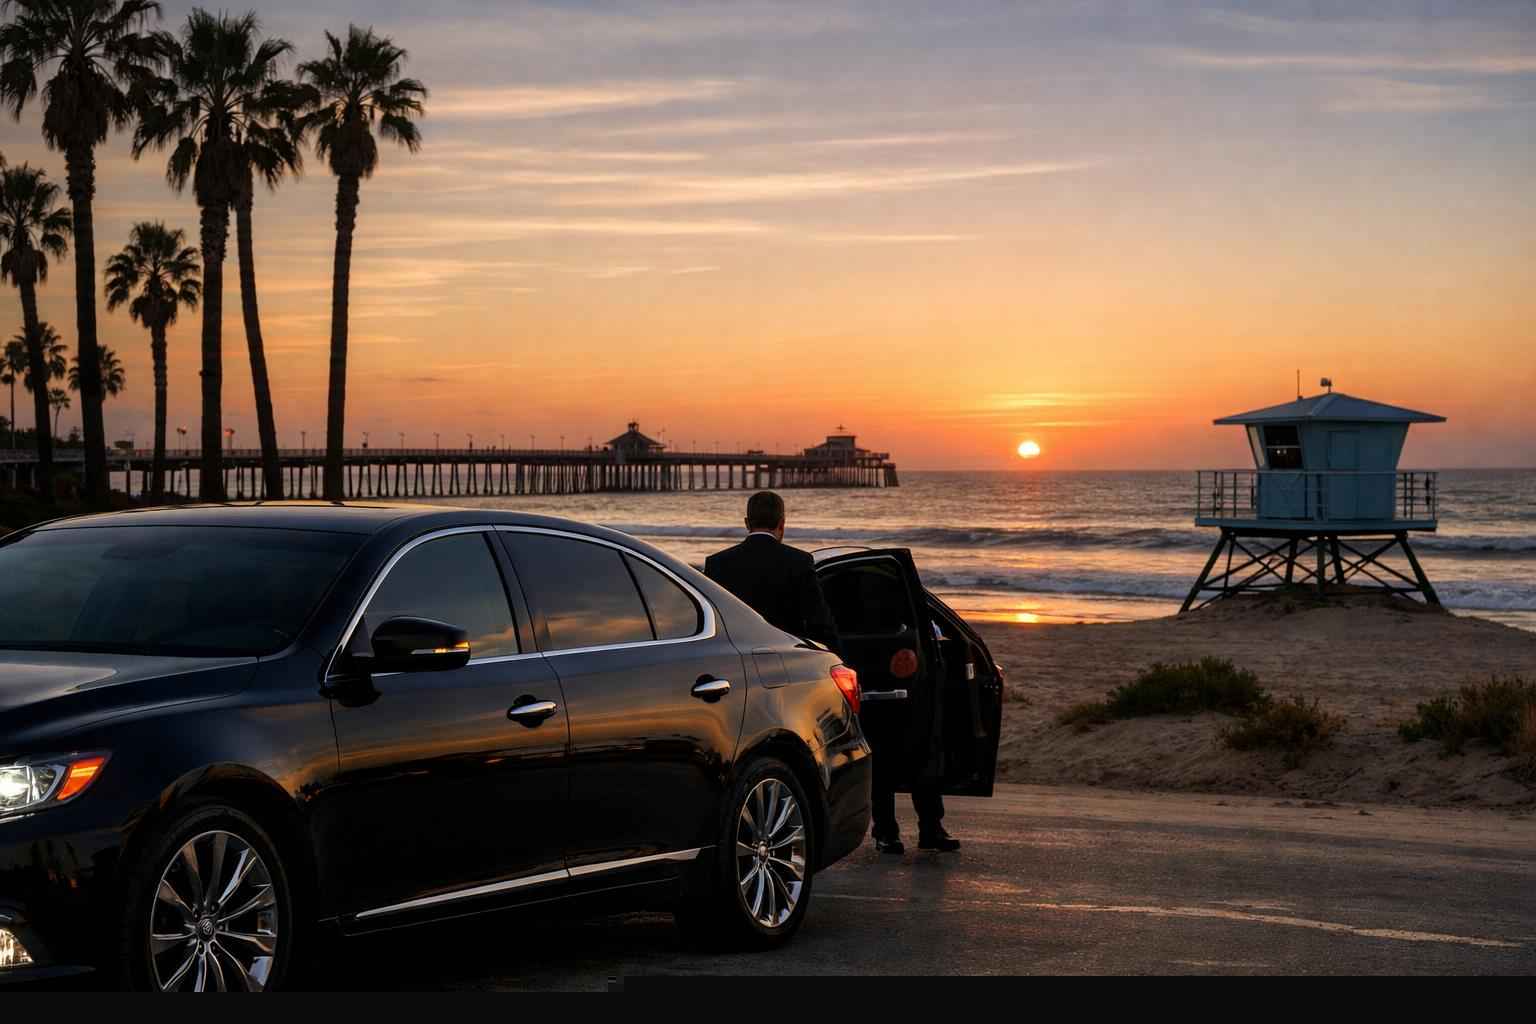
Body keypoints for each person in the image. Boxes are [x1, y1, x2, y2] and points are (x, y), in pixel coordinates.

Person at [867, 616, 959, 854]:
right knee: (884, 763)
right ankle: (887, 832)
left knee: (924, 761)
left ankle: (930, 829)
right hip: (879, 691)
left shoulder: (912, 607)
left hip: (918, 694)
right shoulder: (888, 605)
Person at [704, 491, 840, 652]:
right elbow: (819, 622)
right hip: (787, 655)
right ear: (781, 524)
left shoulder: (717, 563)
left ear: (747, 523)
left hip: (736, 656)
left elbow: (710, 620)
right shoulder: (799, 561)